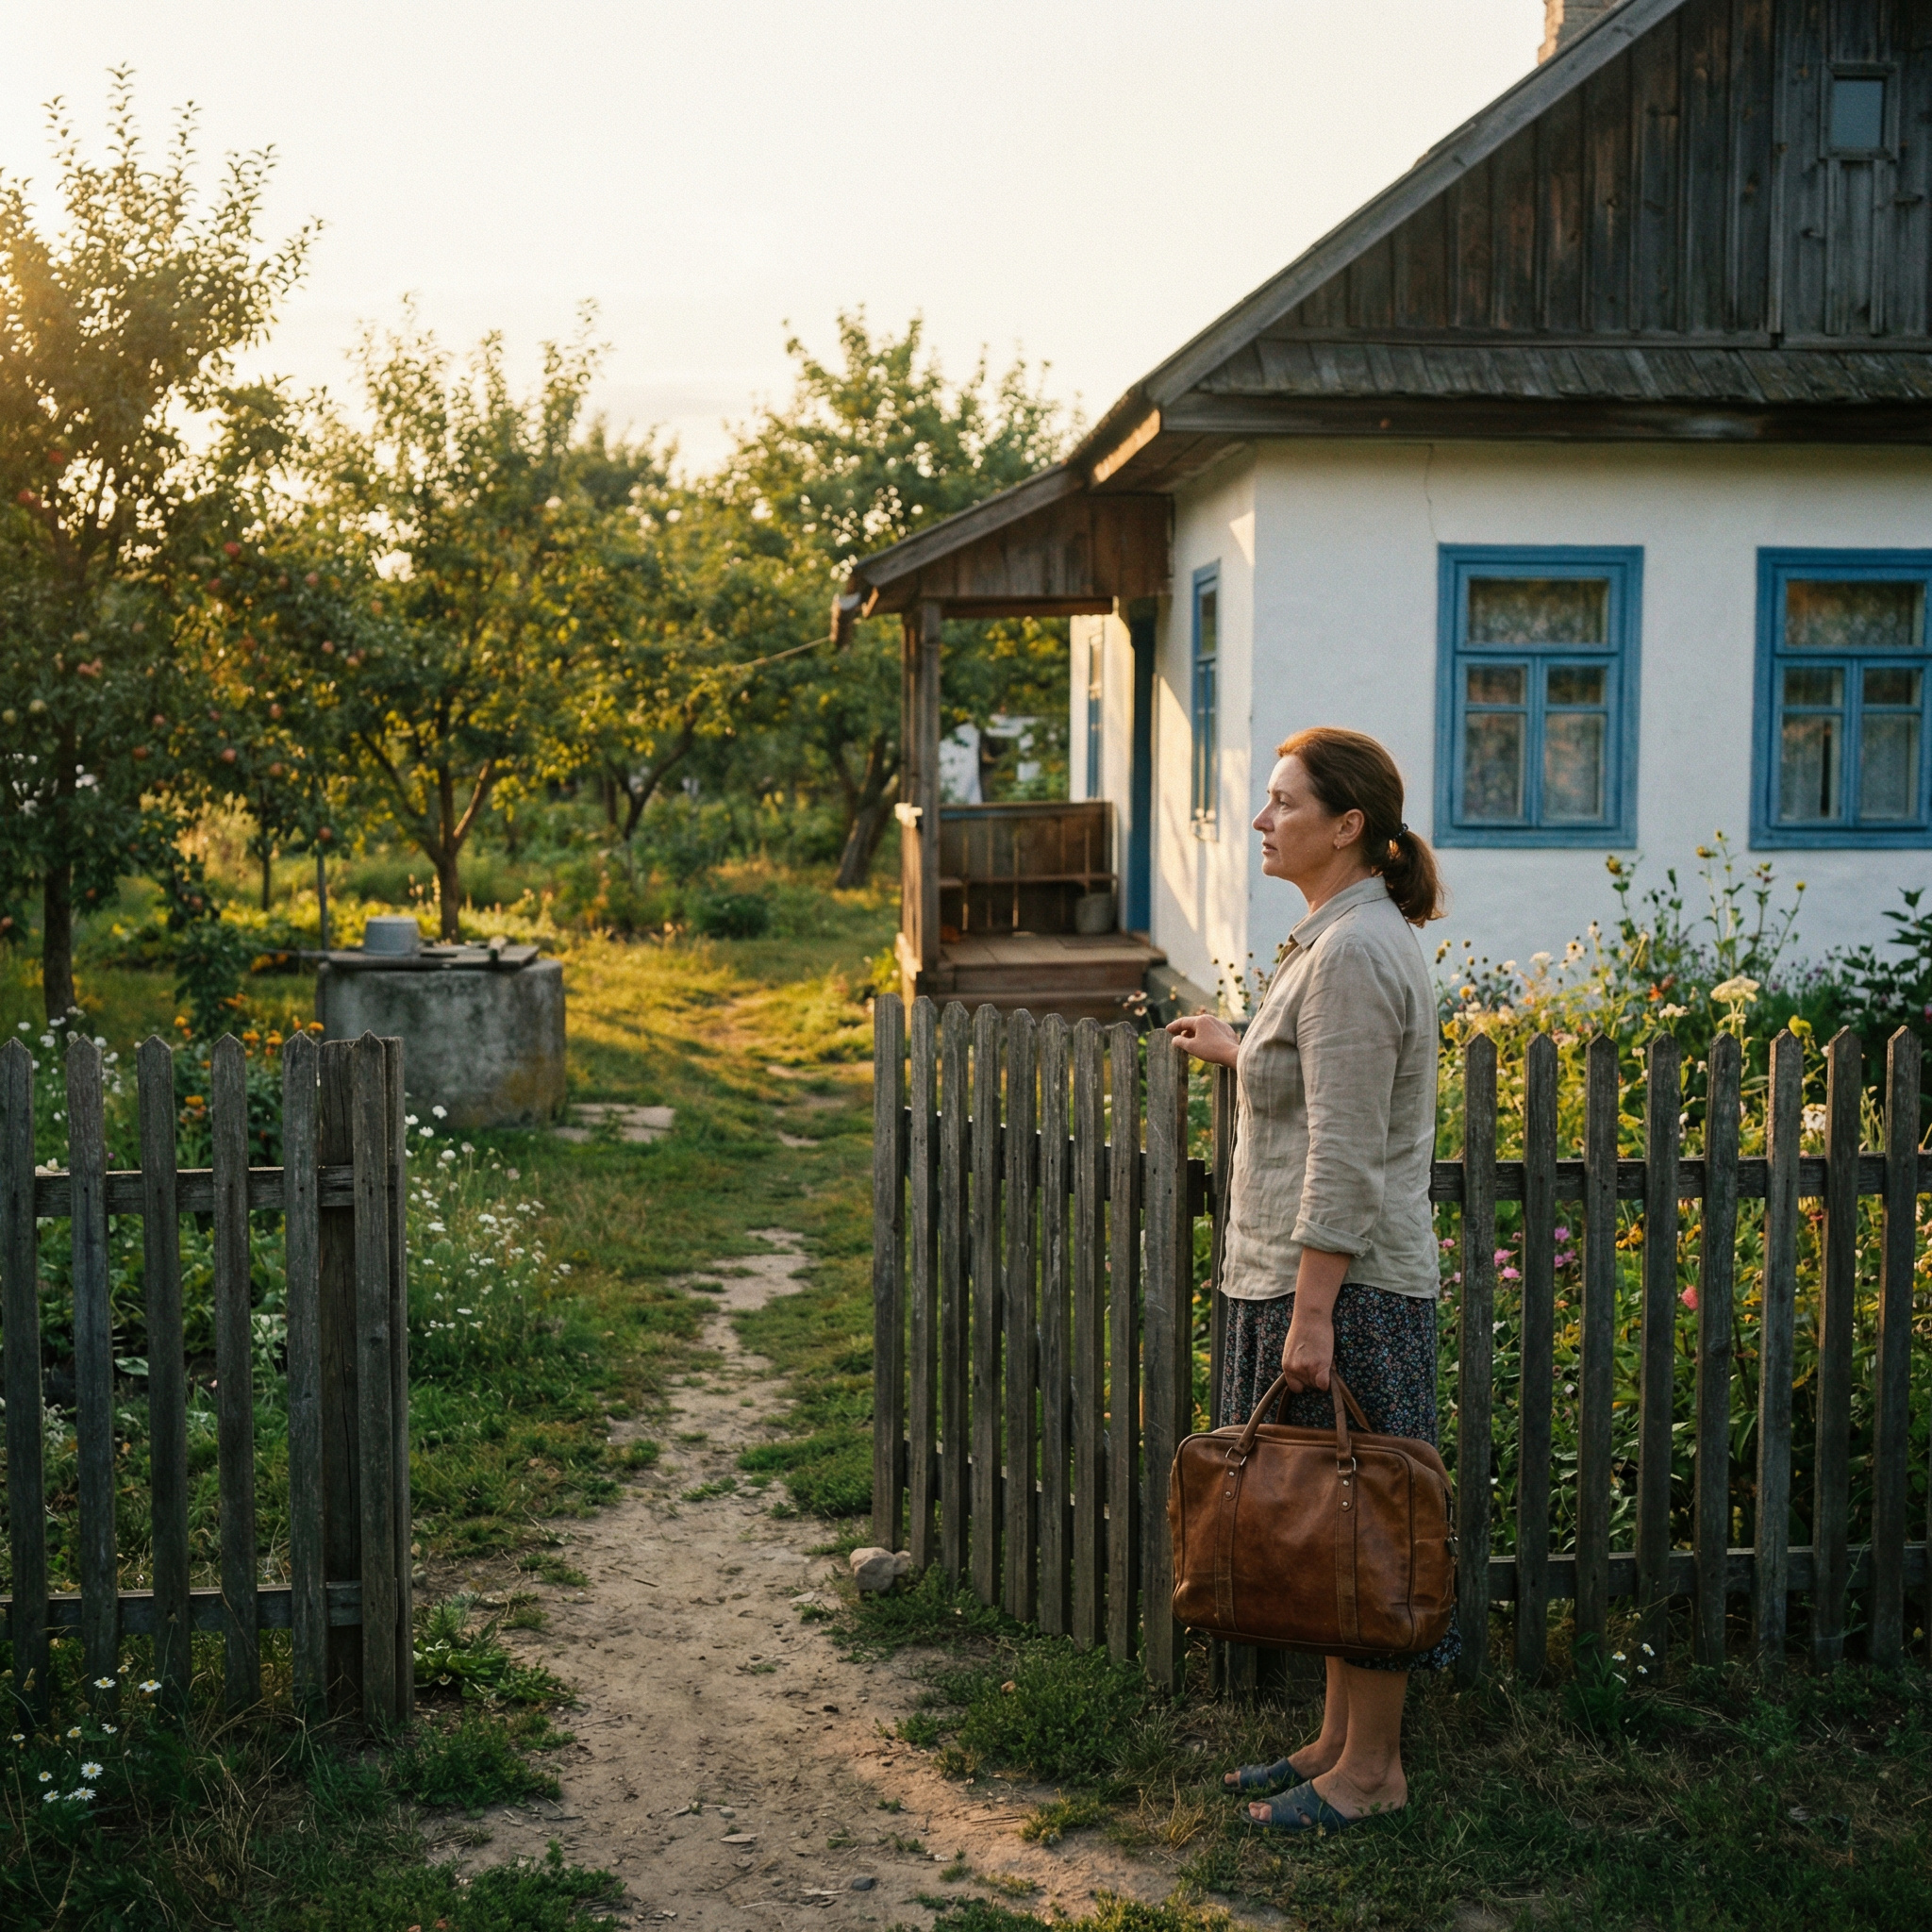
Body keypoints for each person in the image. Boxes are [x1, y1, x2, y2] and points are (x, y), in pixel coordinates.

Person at [1167, 725, 1450, 1835]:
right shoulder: (1336, 937)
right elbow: (1326, 1083)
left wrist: (1314, 1311)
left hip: (1344, 1285)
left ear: (1346, 826)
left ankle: (1373, 1773)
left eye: (1281, 802)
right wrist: (1247, 1051)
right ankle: (1337, 1743)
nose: (1258, 819)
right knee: (1334, 1515)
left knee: (1366, 1521)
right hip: (1310, 1279)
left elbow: (1343, 1150)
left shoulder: (1351, 951)